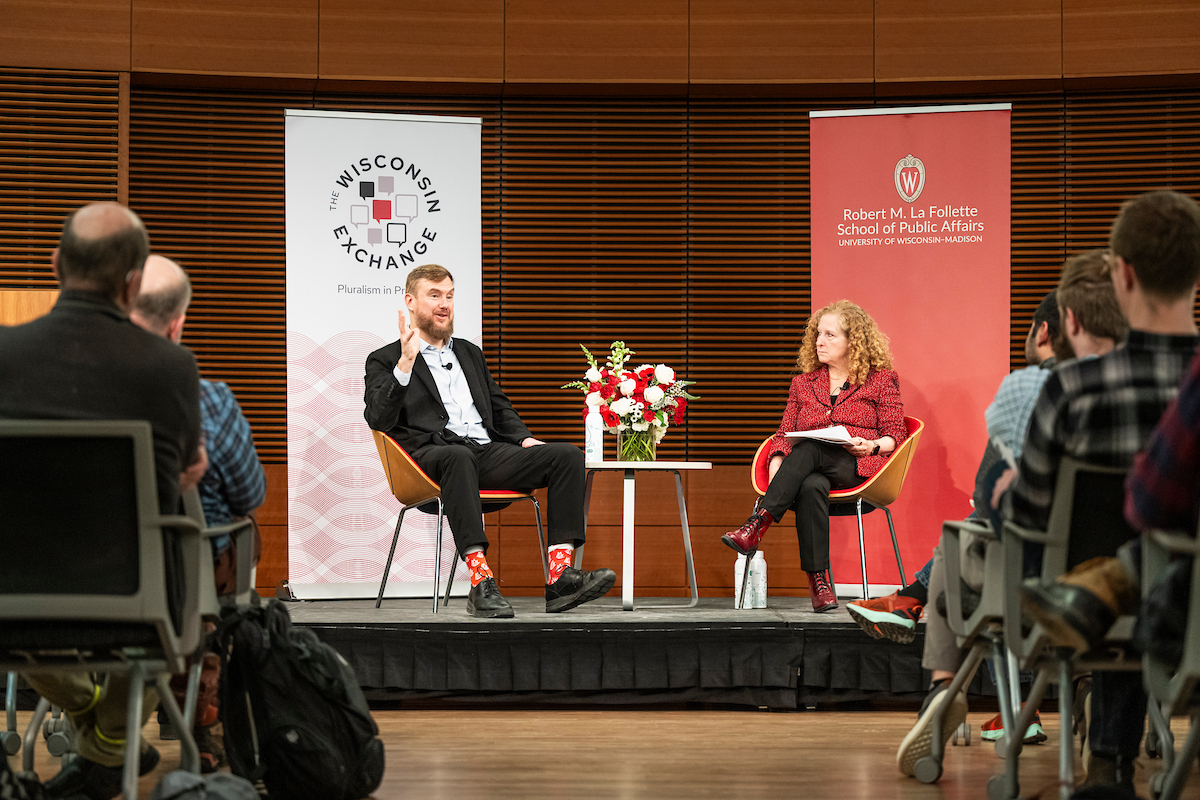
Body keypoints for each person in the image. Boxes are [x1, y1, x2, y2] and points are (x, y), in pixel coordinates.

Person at [896, 248, 1127, 778]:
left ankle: (938, 690)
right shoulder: (1149, 390)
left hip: (1029, 586)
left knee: (960, 537)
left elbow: (989, 499)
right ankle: (1092, 689)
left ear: (1050, 330)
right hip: (1128, 583)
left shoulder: (1026, 389)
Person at [0, 203, 203, 800]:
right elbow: (186, 469)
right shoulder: (169, 365)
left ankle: (89, 721)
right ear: (135, 280)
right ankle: (106, 747)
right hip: (134, 607)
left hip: (11, 600)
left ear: (57, 264)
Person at [1005, 190, 1200, 793]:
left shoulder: (1070, 389)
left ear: (1123, 274)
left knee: (1109, 547)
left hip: (1092, 594)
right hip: (1187, 604)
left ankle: (1108, 763)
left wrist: (1003, 493)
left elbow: (1028, 513)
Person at [363, 264, 615, 618]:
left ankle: (561, 578)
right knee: (457, 457)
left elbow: (498, 405)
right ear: (410, 301)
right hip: (431, 458)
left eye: (449, 296)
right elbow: (377, 417)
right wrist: (406, 363)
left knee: (566, 456)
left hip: (486, 453)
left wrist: (525, 439)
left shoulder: (469, 353)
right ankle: (481, 581)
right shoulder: (386, 358)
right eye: (434, 296)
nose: (444, 304)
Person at [847, 290, 1062, 645]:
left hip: (1039, 562)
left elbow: (985, 495)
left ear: (1043, 332)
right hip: (1130, 567)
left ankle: (951, 680)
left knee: (972, 544)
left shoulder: (1029, 389)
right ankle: (911, 605)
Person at [131, 253, 266, 773]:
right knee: (237, 530)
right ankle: (200, 715)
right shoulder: (206, 400)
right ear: (178, 322)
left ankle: (109, 725)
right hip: (180, 581)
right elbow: (250, 492)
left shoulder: (73, 397)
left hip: (75, 574)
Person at [721, 299, 907, 612]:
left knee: (810, 449)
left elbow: (896, 435)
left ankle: (757, 525)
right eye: (818, 334)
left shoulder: (880, 380)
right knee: (811, 485)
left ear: (854, 342)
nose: (819, 341)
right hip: (809, 470)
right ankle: (820, 584)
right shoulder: (803, 384)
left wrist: (870, 445)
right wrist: (780, 466)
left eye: (830, 335)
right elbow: (783, 434)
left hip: (856, 465)